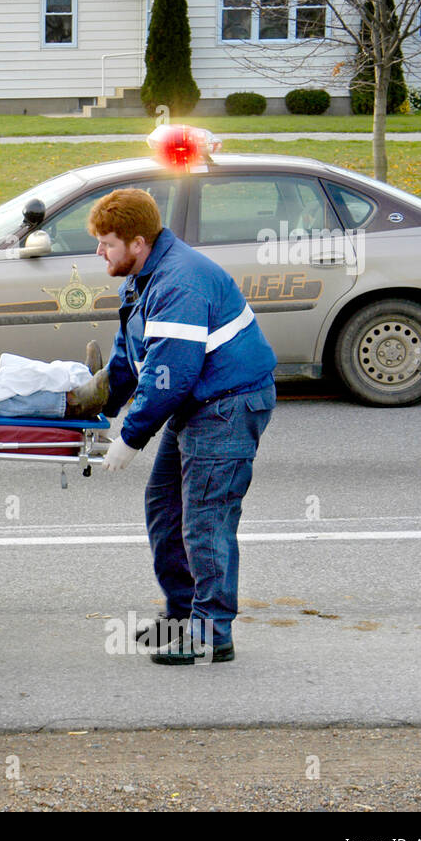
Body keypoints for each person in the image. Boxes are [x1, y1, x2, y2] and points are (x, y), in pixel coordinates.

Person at [89, 188, 277, 665]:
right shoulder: (143, 276)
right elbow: (132, 359)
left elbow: (170, 374)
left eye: (106, 243)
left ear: (136, 242)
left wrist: (130, 437)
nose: (99, 252)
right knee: (164, 507)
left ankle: (212, 633)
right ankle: (181, 616)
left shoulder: (179, 284)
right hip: (200, 402)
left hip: (226, 404)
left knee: (205, 520)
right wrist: (94, 407)